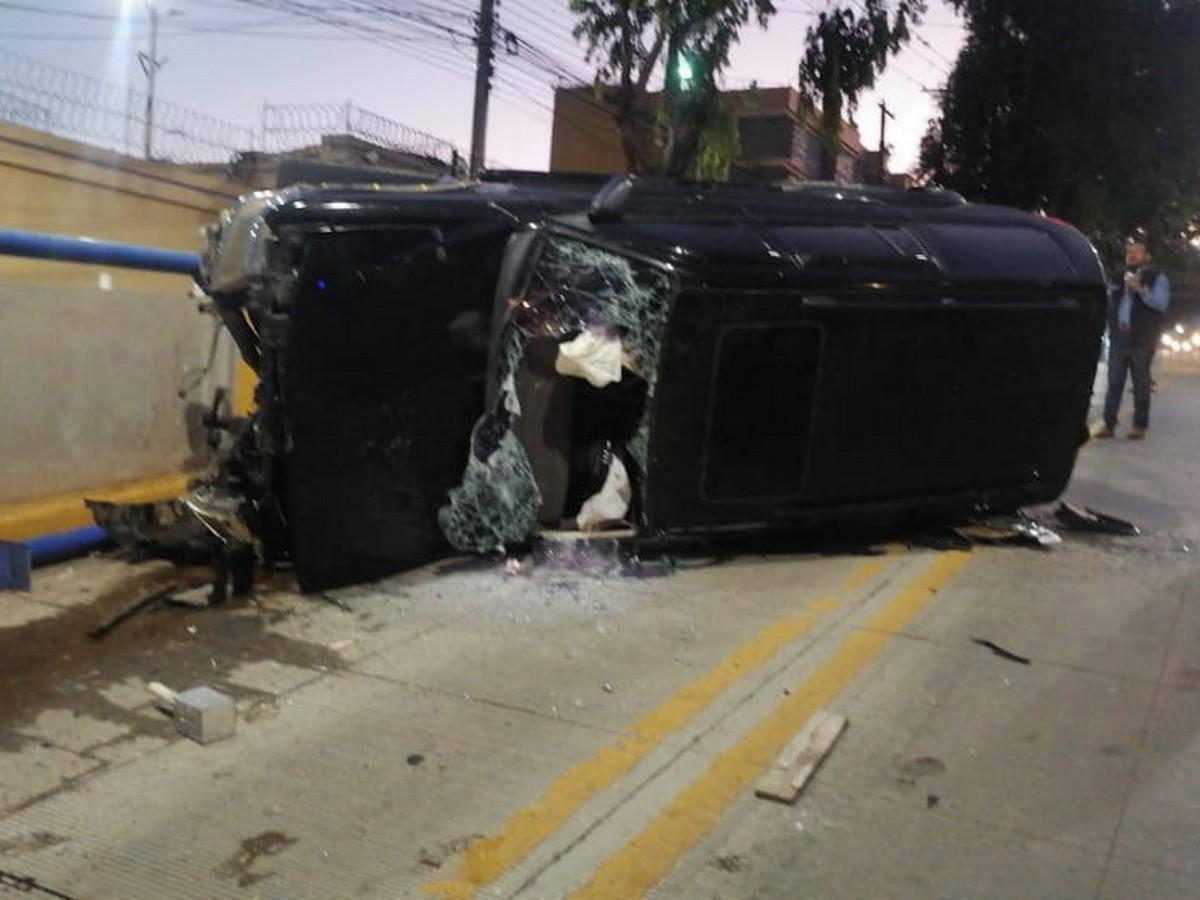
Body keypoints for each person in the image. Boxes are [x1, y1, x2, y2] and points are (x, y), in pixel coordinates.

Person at [1094, 235, 1170, 440]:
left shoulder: (1157, 278)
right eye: (1129, 251)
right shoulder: (1118, 277)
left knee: (1140, 384)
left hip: (1142, 339)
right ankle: (1108, 425)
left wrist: (1141, 289)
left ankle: (1139, 426)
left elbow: (1161, 304)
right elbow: (1108, 301)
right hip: (1119, 337)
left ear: (1147, 256)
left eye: (1137, 251)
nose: (1132, 255)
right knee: (1114, 383)